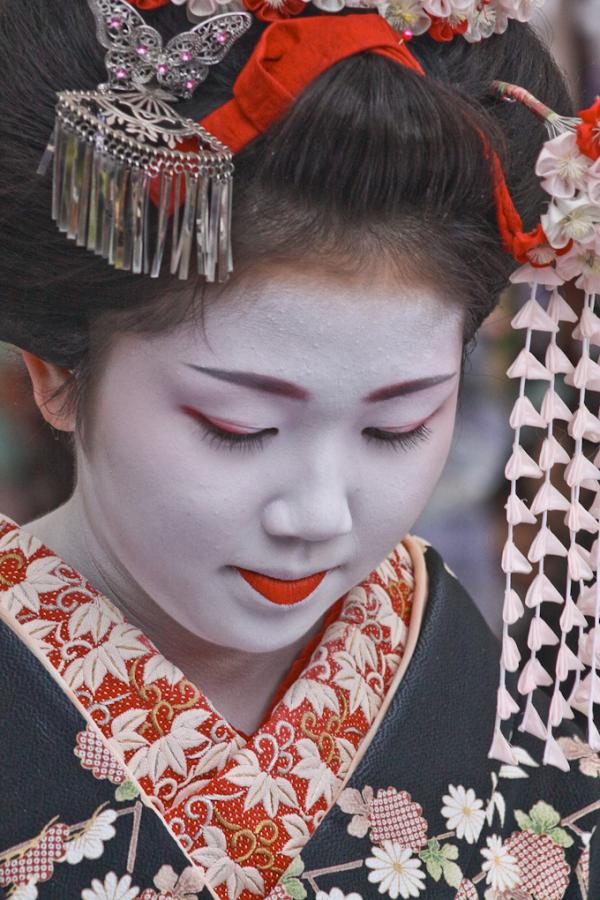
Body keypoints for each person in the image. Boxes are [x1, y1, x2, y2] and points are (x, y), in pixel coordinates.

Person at [0, 1, 598, 898]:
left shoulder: (510, 713)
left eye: (397, 425)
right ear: (56, 371)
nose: (319, 515)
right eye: (237, 427)